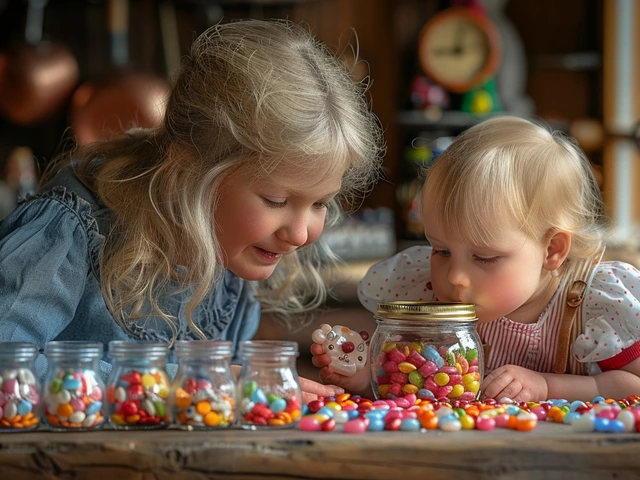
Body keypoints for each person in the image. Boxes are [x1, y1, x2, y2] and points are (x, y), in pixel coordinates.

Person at [0, 19, 384, 403]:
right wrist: (193, 382)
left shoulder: (232, 258)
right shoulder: (67, 233)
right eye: (276, 201)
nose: (300, 234)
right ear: (190, 171)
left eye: (319, 203)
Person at [313, 116, 640, 402]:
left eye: (484, 257)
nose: (455, 276)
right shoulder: (426, 292)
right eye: (441, 251)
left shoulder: (593, 302)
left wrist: (546, 386)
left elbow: (633, 386)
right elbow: (418, 386)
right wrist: (363, 378)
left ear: (552, 250)